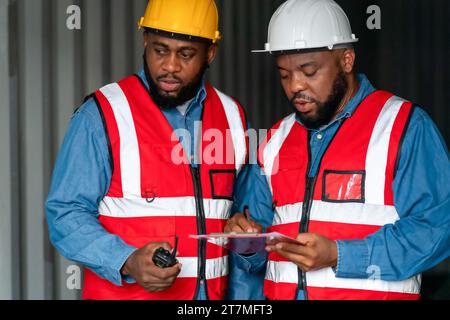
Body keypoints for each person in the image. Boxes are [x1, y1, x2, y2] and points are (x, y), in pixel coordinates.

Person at [225, 0, 450, 300]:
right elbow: (256, 253)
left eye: (309, 71)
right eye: (284, 74)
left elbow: (436, 228)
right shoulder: (274, 141)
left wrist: (339, 255)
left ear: (346, 60)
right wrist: (246, 242)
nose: (295, 86)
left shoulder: (403, 127)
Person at [46, 0, 250, 300]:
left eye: (186, 54)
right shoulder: (102, 114)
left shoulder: (232, 117)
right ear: (145, 41)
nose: (169, 66)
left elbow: (243, 221)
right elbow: (64, 213)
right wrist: (125, 260)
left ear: (210, 53)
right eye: (159, 50)